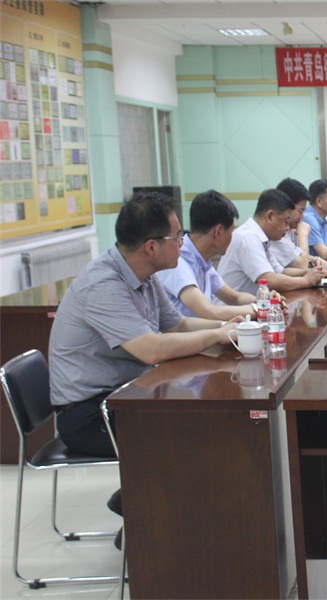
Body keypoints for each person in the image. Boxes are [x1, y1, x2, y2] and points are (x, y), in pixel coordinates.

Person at [48, 191, 241, 546]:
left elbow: (178, 325)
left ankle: (143, 507)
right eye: (177, 236)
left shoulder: (146, 274)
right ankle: (144, 531)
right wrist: (218, 333)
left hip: (125, 395)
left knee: (200, 423)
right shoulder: (104, 285)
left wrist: (232, 328)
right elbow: (150, 348)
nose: (183, 242)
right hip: (89, 413)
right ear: (152, 246)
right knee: (182, 436)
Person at [157, 190, 258, 320]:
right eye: (231, 231)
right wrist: (259, 309)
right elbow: (209, 312)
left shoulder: (202, 260)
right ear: (218, 232)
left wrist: (264, 300)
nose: (232, 236)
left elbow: (234, 297)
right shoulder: (177, 261)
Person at [217, 188, 323, 295]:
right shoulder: (248, 237)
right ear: (270, 216)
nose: (287, 228)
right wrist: (306, 281)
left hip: (253, 303)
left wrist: (313, 273)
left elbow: (281, 272)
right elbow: (269, 280)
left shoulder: (261, 237)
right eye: (285, 222)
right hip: (235, 305)